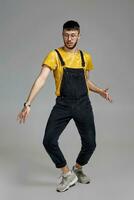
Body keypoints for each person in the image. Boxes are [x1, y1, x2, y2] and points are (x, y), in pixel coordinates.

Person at [17, 20, 112, 192]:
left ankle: (78, 168)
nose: (69, 38)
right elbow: (41, 79)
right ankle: (67, 174)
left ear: (79, 36)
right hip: (63, 104)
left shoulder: (85, 57)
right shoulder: (54, 55)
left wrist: (100, 92)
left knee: (90, 144)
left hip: (83, 103)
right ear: (62, 35)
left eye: (73, 35)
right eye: (66, 35)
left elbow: (86, 81)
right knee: (49, 140)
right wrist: (28, 103)